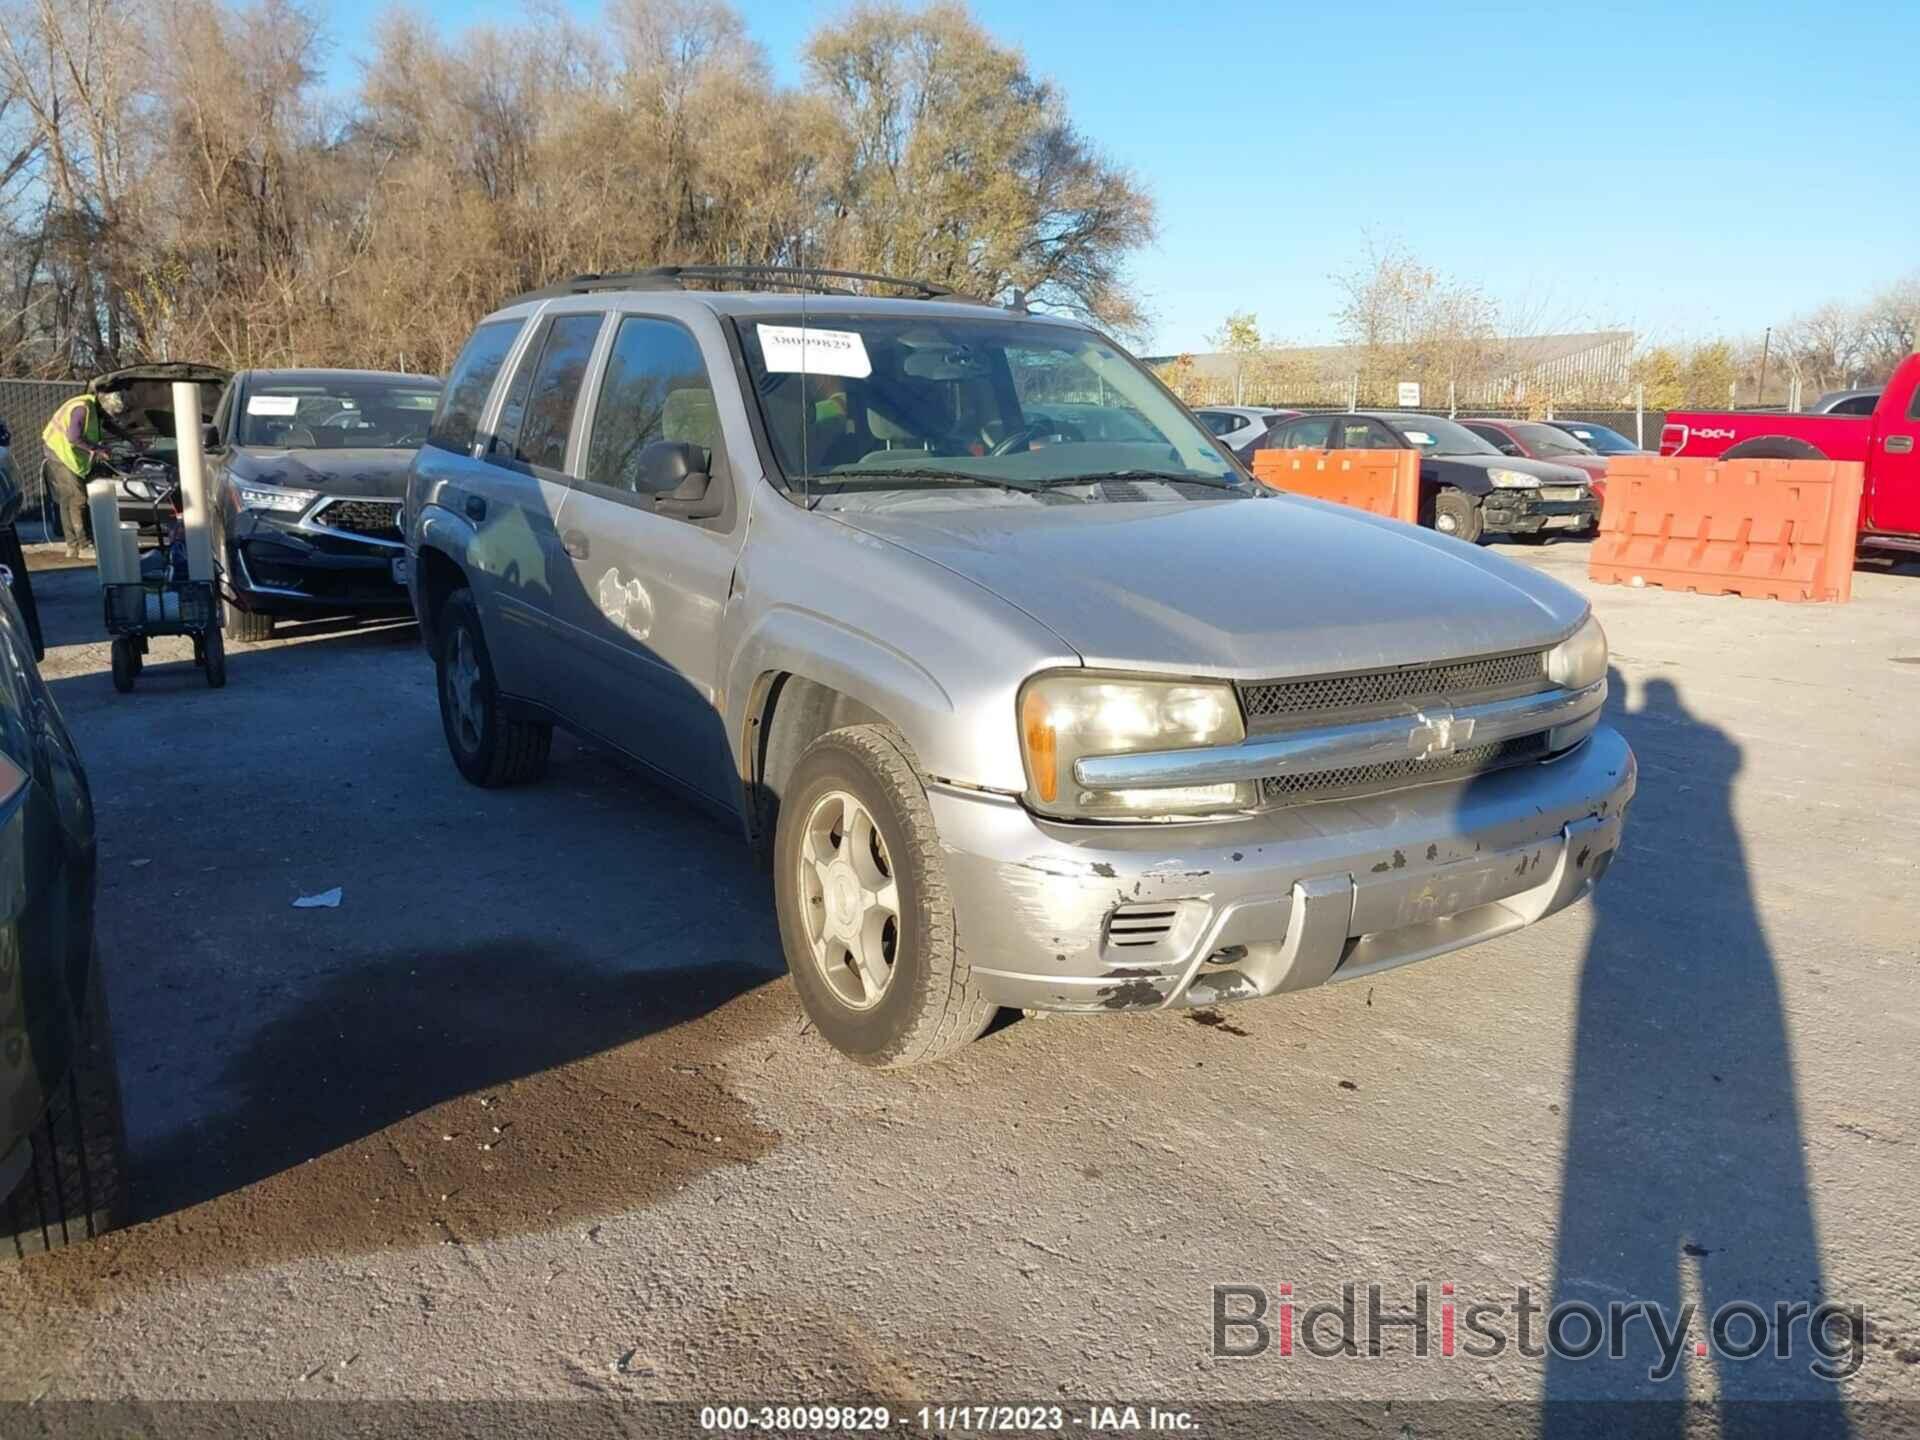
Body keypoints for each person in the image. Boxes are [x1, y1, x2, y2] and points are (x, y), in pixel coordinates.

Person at [40, 388, 129, 558]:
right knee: (78, 497)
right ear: (104, 405)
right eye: (109, 412)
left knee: (68, 498)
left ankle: (72, 547)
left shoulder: (95, 407)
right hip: (59, 452)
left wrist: (130, 438)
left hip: (65, 453)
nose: (109, 416)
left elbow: (108, 424)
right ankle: (83, 546)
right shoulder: (82, 409)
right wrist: (98, 449)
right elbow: (73, 438)